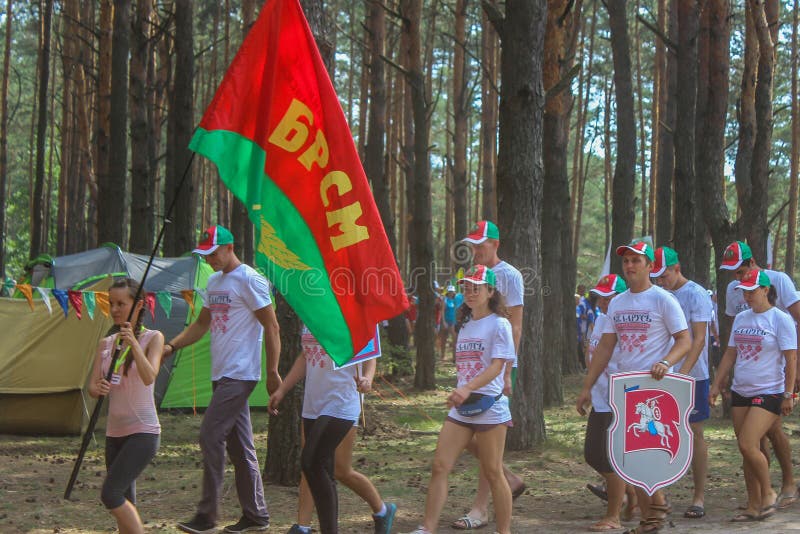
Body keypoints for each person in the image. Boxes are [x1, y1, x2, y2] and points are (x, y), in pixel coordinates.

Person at [165, 225, 281, 534]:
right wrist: (171, 345)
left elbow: (271, 326)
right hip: (221, 374)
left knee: (209, 434)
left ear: (230, 248)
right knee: (241, 447)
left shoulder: (250, 279)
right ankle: (256, 516)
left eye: (212, 253)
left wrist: (272, 372)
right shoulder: (215, 282)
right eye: (204, 254)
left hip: (241, 374)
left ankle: (207, 515)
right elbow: (202, 324)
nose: (209, 260)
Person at [576, 241, 690, 534]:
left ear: (650, 266)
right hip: (623, 390)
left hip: (654, 389)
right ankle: (651, 518)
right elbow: (605, 348)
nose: (629, 266)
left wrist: (666, 362)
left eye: (636, 261)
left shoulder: (663, 300)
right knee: (630, 461)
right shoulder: (618, 302)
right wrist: (587, 386)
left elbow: (684, 340)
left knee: (642, 458)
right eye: (626, 261)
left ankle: (655, 512)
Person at [403, 265, 515, 534]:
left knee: (493, 472)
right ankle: (427, 528)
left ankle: (504, 531)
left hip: (490, 406)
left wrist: (467, 388)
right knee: (440, 465)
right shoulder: (464, 325)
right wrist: (460, 390)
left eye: (476, 286)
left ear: (490, 291)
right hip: (461, 408)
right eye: (466, 286)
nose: (470, 291)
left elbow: (496, 366)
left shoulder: (500, 324)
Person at [269, 326, 397, 534]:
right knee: (330, 470)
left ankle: (326, 527)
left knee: (314, 462)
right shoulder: (311, 308)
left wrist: (368, 379)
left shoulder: (353, 309)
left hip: (342, 399)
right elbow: (305, 355)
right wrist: (283, 389)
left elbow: (370, 354)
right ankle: (304, 526)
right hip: (314, 402)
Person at [451, 221, 525, 530]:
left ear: (496, 244)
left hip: (499, 365)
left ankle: (481, 508)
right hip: (473, 366)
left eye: (482, 245)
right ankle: (507, 477)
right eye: (473, 245)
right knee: (468, 432)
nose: (477, 251)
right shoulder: (473, 276)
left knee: (485, 431)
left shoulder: (509, 275)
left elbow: (516, 323)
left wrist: (507, 372)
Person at [710, 269, 797, 521]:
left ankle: (769, 492)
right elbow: (730, 353)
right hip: (741, 390)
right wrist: (717, 384)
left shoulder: (780, 319)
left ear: (765, 290)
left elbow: (790, 359)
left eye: (751, 291)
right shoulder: (742, 318)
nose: (747, 296)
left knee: (747, 443)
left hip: (769, 391)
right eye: (744, 291)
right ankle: (753, 504)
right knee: (748, 450)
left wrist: (788, 394)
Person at [88, 278, 164, 534]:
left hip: (143, 432)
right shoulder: (105, 344)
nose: (116, 309)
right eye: (112, 303)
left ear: (139, 305)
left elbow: (149, 376)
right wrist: (98, 388)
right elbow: (92, 386)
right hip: (114, 434)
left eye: (122, 303)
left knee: (111, 494)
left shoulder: (153, 338)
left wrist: (133, 342)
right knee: (125, 500)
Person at [650, 246, 713, 519]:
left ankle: (698, 496)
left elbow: (698, 338)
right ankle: (656, 493)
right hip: (661, 372)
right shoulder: (658, 294)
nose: (660, 281)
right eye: (657, 277)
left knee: (694, 432)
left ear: (677, 268)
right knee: (655, 431)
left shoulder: (696, 294)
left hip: (692, 374)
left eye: (664, 275)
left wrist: (683, 373)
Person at [580, 274, 637, 531]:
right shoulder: (601, 320)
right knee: (592, 454)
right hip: (600, 397)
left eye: (608, 297)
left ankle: (613, 514)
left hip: (619, 397)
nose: (603, 302)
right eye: (600, 297)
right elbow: (593, 354)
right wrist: (588, 387)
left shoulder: (625, 325)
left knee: (610, 458)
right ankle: (630, 490)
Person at [438, 285, 463, 361]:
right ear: (448, 292)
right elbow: (442, 311)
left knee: (455, 339)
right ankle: (442, 355)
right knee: (444, 339)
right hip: (446, 321)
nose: (451, 293)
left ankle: (454, 357)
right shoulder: (445, 300)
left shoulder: (456, 299)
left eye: (452, 291)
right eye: (450, 292)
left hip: (453, 322)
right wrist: (444, 322)